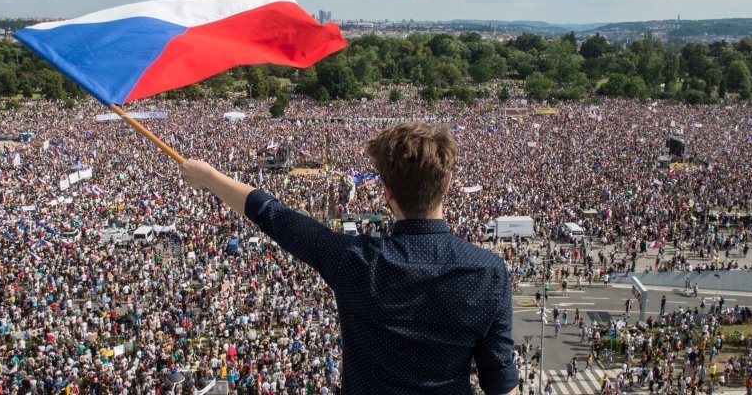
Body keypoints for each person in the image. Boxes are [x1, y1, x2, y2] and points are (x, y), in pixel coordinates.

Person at [180, 122, 519, 395]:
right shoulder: (488, 272)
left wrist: (209, 177)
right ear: (446, 183)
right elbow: (501, 384)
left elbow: (274, 215)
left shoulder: (356, 261)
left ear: (385, 189)